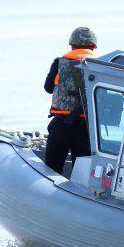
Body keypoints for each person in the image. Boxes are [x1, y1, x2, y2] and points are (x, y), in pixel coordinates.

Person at [43, 27, 97, 174]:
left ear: (72, 45)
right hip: (85, 130)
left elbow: (48, 88)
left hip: (60, 126)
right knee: (81, 176)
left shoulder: (58, 63)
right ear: (93, 47)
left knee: (51, 172)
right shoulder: (98, 67)